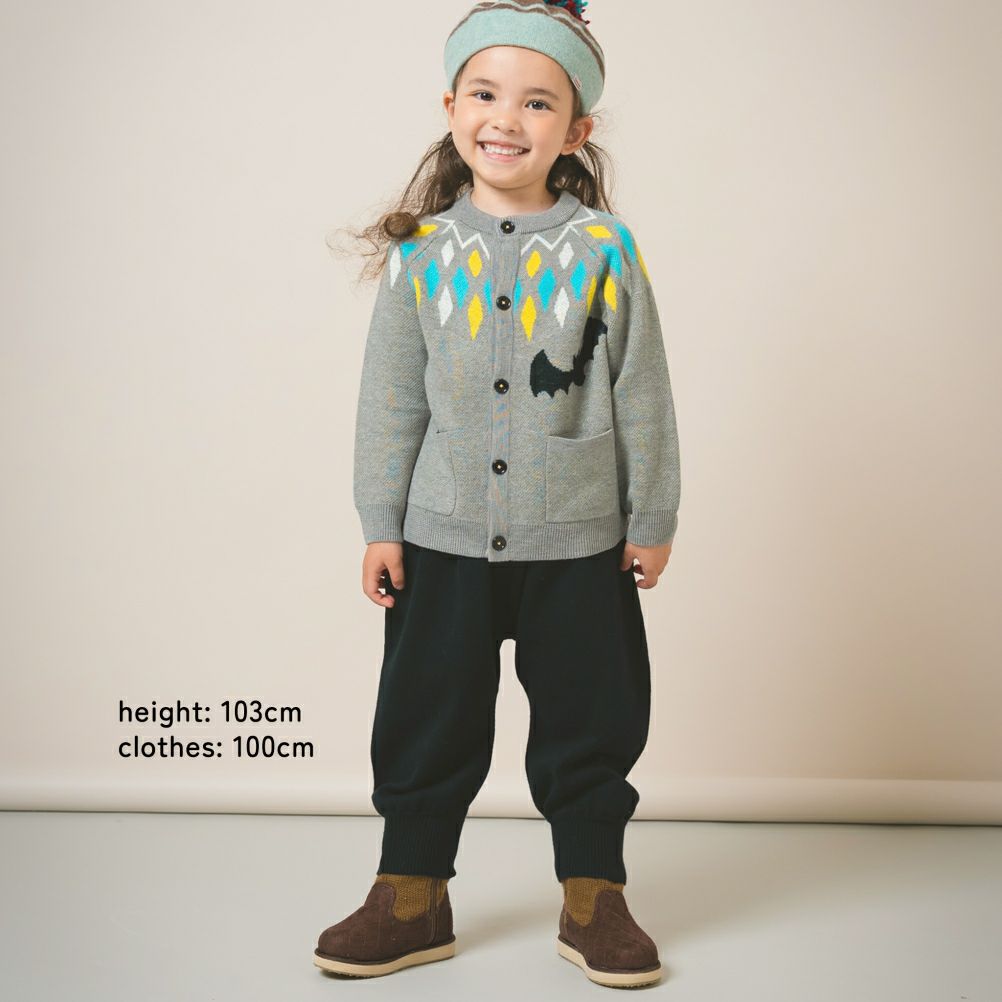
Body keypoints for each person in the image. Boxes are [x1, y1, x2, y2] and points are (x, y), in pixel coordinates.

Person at [314, 0, 680, 989]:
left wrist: (652, 517)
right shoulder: (419, 253)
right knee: (425, 713)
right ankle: (410, 893)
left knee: (592, 717)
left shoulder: (605, 249)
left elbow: (641, 389)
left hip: (580, 543)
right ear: (451, 108)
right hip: (441, 541)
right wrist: (381, 524)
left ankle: (594, 893)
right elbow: (391, 400)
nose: (506, 119)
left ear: (576, 129)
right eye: (484, 94)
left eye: (537, 102)